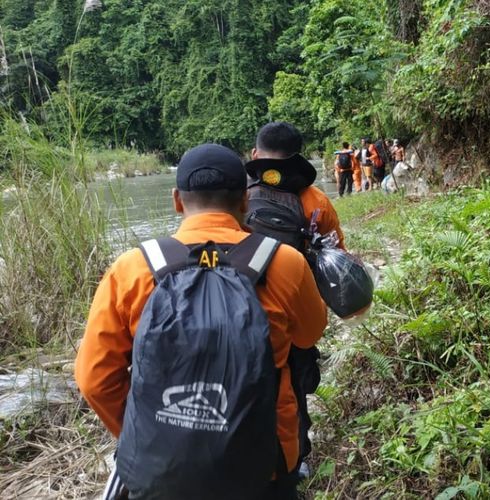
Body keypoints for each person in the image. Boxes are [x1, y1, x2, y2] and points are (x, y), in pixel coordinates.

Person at [75, 143, 327, 499]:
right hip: (265, 463)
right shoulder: (285, 263)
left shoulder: (131, 269)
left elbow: (94, 380)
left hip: (159, 464)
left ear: (177, 200)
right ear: (245, 201)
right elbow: (309, 334)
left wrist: (148, 435)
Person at [246, 121, 345, 478]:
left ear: (254, 155)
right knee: (293, 386)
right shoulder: (315, 200)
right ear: (296, 156)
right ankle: (296, 460)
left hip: (238, 310)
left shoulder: (236, 194)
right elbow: (335, 261)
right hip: (293, 311)